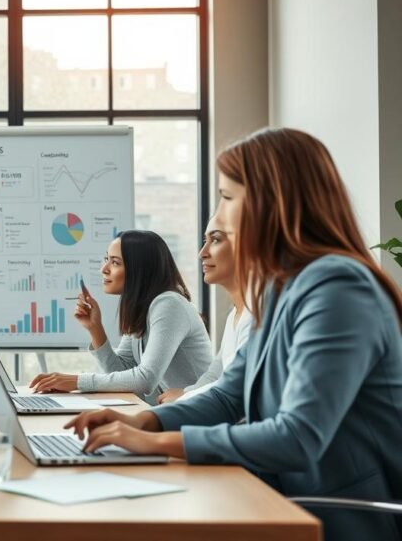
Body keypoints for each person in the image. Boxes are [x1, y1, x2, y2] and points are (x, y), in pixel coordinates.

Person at [67, 128, 402, 541]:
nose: (220, 214)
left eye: (227, 197)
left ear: (268, 202)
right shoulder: (282, 288)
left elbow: (297, 436)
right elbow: (228, 394)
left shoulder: (337, 289)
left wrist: (154, 443)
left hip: (336, 516)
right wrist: (145, 420)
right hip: (279, 496)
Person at [29, 230, 212, 403]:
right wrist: (95, 329)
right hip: (175, 413)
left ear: (139, 269)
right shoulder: (143, 307)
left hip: (200, 419)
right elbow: (122, 371)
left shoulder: (169, 304)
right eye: (106, 259)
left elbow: (144, 380)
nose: (104, 269)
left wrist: (77, 381)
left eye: (115, 262)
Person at [158, 219, 253, 404]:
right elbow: (215, 373)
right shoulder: (234, 314)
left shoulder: (257, 318)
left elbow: (234, 388)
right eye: (205, 242)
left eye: (215, 240)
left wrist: (185, 397)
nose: (202, 253)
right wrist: (187, 393)